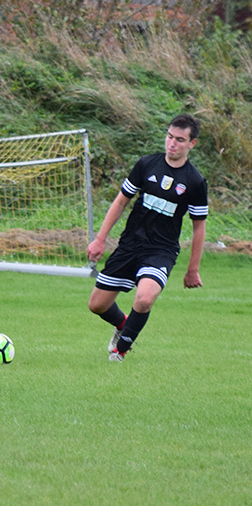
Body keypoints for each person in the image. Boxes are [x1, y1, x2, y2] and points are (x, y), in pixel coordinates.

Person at [87, 114, 208, 362]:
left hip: (160, 251)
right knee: (97, 305)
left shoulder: (195, 182)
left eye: (180, 140)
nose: (172, 143)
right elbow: (121, 201)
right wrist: (100, 239)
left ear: (191, 144)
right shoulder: (146, 165)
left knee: (144, 298)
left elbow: (199, 227)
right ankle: (123, 324)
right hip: (130, 245)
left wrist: (192, 269)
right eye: (169, 137)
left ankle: (119, 352)